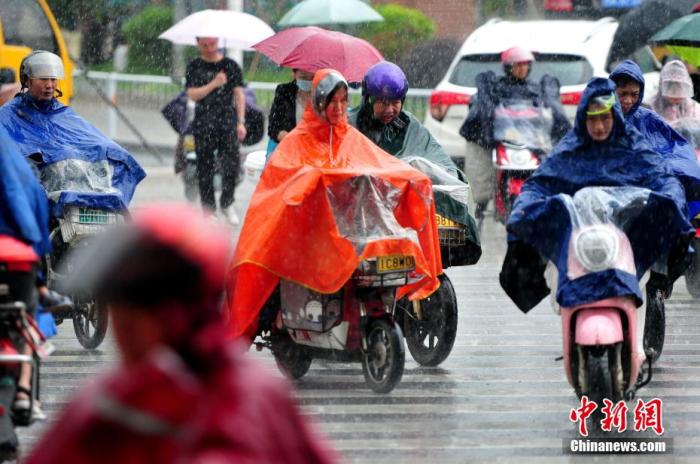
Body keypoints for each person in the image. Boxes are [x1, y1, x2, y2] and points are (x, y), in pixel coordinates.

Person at [26, 204, 336, 464]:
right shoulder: (264, 397)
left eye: (131, 313)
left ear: (172, 313)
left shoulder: (111, 406)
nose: (123, 333)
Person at [226, 69, 442, 341]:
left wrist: (415, 179)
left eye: (343, 100)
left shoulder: (350, 137)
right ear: (318, 102)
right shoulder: (296, 140)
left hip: (349, 230)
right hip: (307, 234)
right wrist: (313, 179)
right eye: (333, 101)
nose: (339, 108)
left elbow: (381, 164)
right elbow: (282, 184)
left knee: (395, 247)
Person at [500, 78, 692, 317]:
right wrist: (525, 207)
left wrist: (670, 198)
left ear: (615, 117)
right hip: (579, 242)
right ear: (583, 118)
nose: (599, 126)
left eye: (605, 118)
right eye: (593, 119)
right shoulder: (570, 149)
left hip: (625, 241)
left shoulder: (633, 145)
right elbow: (539, 185)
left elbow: (662, 178)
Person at [349, 60, 481, 262]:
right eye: (382, 103)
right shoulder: (349, 124)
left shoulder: (410, 126)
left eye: (395, 102)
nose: (390, 109)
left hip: (404, 215)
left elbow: (439, 163)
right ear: (368, 100)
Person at [610, 60, 700, 296]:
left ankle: (659, 281)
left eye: (633, 94)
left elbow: (676, 152)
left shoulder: (648, 120)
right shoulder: (599, 117)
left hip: (643, 200)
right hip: (608, 201)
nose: (627, 100)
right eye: (622, 94)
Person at [459, 46, 570, 222]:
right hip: (503, 142)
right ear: (508, 67)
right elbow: (484, 112)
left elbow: (546, 113)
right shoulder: (495, 87)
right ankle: (480, 211)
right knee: (481, 183)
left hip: (530, 143)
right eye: (518, 65)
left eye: (526, 65)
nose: (522, 69)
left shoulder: (536, 89)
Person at [185, 36, 246, 224]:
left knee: (232, 162)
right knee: (205, 165)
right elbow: (192, 94)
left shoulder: (230, 65)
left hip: (227, 120)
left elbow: (239, 94)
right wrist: (214, 84)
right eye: (204, 45)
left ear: (218, 42)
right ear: (198, 44)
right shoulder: (194, 66)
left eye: (212, 44)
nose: (209, 48)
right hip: (204, 120)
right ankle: (208, 209)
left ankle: (227, 201)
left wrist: (241, 121)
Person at [267, 68, 315, 158]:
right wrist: (294, 140)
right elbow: (273, 128)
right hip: (285, 148)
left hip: (313, 151)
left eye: (311, 78)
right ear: (294, 74)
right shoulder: (284, 92)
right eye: (302, 77)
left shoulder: (322, 95)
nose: (306, 81)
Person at [649, 60, 700, 125]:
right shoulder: (650, 107)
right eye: (671, 89)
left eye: (680, 89)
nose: (676, 95)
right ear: (662, 87)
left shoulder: (694, 108)